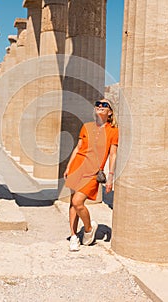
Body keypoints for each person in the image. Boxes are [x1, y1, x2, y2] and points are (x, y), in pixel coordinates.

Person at [64, 99, 118, 251]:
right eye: (98, 104)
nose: (100, 106)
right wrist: (68, 166)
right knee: (72, 203)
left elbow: (113, 154)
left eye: (105, 105)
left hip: (93, 172)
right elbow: (78, 148)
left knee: (78, 201)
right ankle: (73, 236)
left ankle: (88, 229)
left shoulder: (114, 130)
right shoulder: (86, 126)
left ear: (110, 112)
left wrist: (111, 176)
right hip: (77, 167)